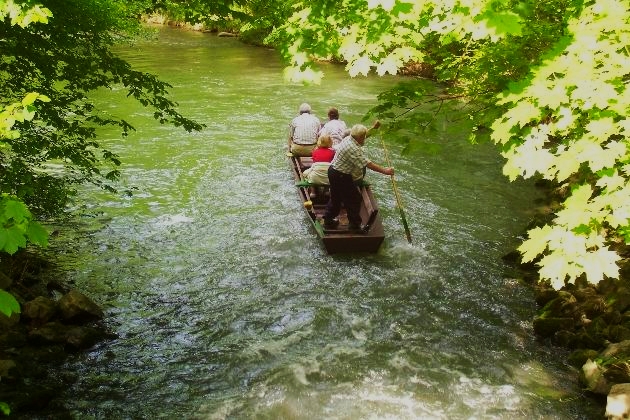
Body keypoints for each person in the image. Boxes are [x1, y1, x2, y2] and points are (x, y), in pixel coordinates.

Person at [323, 122, 393, 231]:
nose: (365, 139)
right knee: (354, 199)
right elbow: (368, 164)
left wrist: (374, 128)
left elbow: (364, 135)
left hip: (333, 171)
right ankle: (354, 225)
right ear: (359, 137)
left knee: (336, 198)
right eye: (363, 137)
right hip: (341, 175)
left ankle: (328, 220)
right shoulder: (354, 149)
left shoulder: (349, 138)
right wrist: (386, 171)